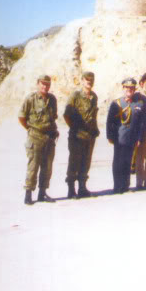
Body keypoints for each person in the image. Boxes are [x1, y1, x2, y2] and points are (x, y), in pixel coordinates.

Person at [19, 74, 59, 205]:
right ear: (38, 84)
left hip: (49, 137)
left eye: (47, 84)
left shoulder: (52, 99)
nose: (45, 86)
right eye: (42, 83)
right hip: (35, 137)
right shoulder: (31, 99)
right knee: (33, 166)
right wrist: (31, 130)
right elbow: (21, 117)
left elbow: (53, 117)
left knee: (47, 166)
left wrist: (54, 131)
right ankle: (28, 193)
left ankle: (42, 193)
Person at [106, 78, 146, 194]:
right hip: (119, 138)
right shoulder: (117, 103)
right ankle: (118, 186)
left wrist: (139, 138)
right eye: (127, 88)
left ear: (134, 89)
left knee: (127, 162)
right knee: (118, 162)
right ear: (123, 88)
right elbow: (110, 122)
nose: (129, 90)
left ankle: (125, 186)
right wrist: (110, 136)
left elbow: (141, 123)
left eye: (131, 88)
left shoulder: (139, 104)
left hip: (131, 137)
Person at [63, 71, 99, 199]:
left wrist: (95, 130)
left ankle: (82, 188)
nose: (89, 82)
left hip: (89, 136)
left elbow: (94, 115)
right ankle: (71, 189)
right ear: (82, 80)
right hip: (77, 136)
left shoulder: (94, 97)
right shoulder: (75, 96)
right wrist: (75, 128)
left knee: (86, 162)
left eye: (91, 80)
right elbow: (66, 115)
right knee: (74, 162)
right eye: (87, 79)